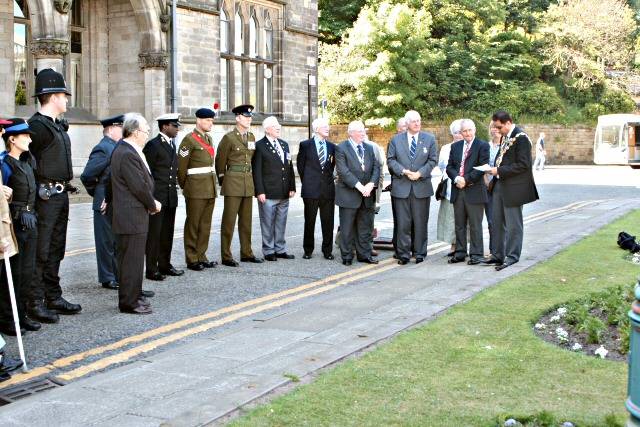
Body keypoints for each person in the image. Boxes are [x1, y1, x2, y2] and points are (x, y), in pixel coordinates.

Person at [27, 68, 81, 324]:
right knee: (42, 249)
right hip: (44, 196)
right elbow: (26, 163)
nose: (67, 100)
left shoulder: (55, 126)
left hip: (59, 195)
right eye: (64, 95)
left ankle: (53, 295)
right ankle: (35, 301)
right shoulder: (37, 127)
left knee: (56, 247)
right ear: (53, 96)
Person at [110, 113, 161, 314]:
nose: (147, 133)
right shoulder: (126, 152)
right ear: (133, 131)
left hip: (133, 214)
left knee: (134, 259)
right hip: (131, 215)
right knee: (131, 260)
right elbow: (138, 186)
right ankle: (129, 302)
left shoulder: (129, 150)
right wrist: (152, 204)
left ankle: (134, 294)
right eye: (145, 130)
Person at [483, 111, 539, 271]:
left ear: (508, 123)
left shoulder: (521, 138)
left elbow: (523, 165)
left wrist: (498, 170)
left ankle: (512, 256)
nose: (498, 130)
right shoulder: (506, 136)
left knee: (513, 224)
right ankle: (498, 255)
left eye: (499, 127)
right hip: (500, 184)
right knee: (497, 221)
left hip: (514, 188)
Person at [0, 118, 40, 334]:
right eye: (26, 136)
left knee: (27, 272)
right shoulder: (4, 165)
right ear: (12, 139)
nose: (30, 139)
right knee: (12, 274)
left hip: (30, 222)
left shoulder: (26, 161)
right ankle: (8, 319)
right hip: (13, 224)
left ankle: (21, 314)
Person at [387, 110, 437, 265]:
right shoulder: (396, 140)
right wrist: (403, 171)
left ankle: (420, 252)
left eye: (419, 120)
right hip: (402, 187)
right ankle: (403, 254)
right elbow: (391, 160)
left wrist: (420, 173)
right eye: (414, 121)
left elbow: (433, 160)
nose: (417, 123)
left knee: (420, 222)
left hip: (421, 187)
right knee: (403, 223)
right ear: (407, 123)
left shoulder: (429, 139)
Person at [215, 104, 263, 267]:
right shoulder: (228, 138)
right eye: (246, 117)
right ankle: (226, 255)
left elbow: (252, 160)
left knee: (246, 222)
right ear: (238, 118)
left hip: (247, 183)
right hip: (232, 182)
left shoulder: (251, 137)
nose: (249, 119)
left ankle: (246, 253)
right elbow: (220, 161)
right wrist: (223, 180)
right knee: (228, 222)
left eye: (250, 117)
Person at [80, 115, 123, 291]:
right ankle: (107, 277)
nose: (123, 130)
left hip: (114, 200)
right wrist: (98, 193)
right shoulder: (103, 148)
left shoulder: (115, 146)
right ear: (111, 129)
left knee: (115, 241)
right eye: (120, 127)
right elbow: (87, 175)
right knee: (105, 241)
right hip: (104, 201)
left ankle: (116, 274)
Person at [177, 108, 218, 272]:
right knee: (193, 224)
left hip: (209, 187)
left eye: (212, 120)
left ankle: (202, 255)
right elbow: (181, 168)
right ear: (199, 121)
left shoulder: (208, 138)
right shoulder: (189, 140)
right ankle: (192, 258)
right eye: (208, 120)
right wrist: (186, 186)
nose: (211, 123)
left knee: (205, 224)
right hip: (195, 189)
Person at [145, 113, 185, 278]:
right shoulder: (153, 145)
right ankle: (151, 268)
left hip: (169, 196)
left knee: (167, 233)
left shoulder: (171, 145)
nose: (177, 129)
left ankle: (165, 264)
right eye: (174, 126)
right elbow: (147, 173)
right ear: (164, 126)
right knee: (154, 234)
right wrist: (150, 198)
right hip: (157, 196)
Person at [335, 120, 380, 266]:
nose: (363, 133)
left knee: (365, 227)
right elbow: (343, 171)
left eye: (363, 131)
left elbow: (376, 168)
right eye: (360, 131)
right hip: (349, 195)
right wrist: (361, 187)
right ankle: (347, 256)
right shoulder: (341, 148)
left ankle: (364, 255)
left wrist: (371, 184)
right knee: (347, 228)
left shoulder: (369, 147)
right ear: (351, 133)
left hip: (367, 195)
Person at [446, 119, 490, 265]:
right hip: (458, 190)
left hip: (474, 190)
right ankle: (460, 252)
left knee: (475, 225)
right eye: (464, 131)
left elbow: (482, 167)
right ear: (461, 132)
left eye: (470, 130)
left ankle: (476, 255)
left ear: (475, 130)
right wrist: (457, 178)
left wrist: (465, 180)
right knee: (459, 224)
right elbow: (449, 167)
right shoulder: (456, 146)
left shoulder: (482, 146)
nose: (467, 133)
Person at [252, 116, 296, 261]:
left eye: (278, 125)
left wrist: (292, 186)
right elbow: (257, 170)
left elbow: (289, 167)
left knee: (281, 223)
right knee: (267, 223)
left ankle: (280, 249)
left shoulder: (284, 144)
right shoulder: (259, 145)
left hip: (284, 192)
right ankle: (269, 250)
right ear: (267, 129)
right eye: (275, 126)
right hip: (268, 192)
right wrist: (259, 191)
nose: (279, 127)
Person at [297, 118, 336, 260]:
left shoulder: (332, 146)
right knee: (310, 221)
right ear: (316, 129)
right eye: (325, 126)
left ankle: (327, 251)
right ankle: (308, 250)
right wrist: (309, 182)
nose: (328, 128)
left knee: (328, 222)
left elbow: (331, 167)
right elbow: (301, 167)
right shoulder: (305, 145)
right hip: (310, 190)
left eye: (328, 126)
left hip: (328, 190)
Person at [437, 120, 462, 257]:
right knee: (451, 218)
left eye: (461, 132)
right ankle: (453, 245)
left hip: (464, 186)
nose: (459, 135)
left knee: (464, 219)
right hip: (449, 188)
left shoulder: (468, 146)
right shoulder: (446, 148)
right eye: (456, 133)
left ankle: (463, 245)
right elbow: (442, 166)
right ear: (452, 134)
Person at [484, 121, 502, 256]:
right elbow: (483, 166)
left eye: (497, 127)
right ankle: (493, 251)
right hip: (487, 188)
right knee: (490, 221)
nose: (494, 130)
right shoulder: (486, 146)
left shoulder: (505, 147)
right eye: (492, 127)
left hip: (501, 188)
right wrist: (485, 181)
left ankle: (502, 249)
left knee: (502, 221)